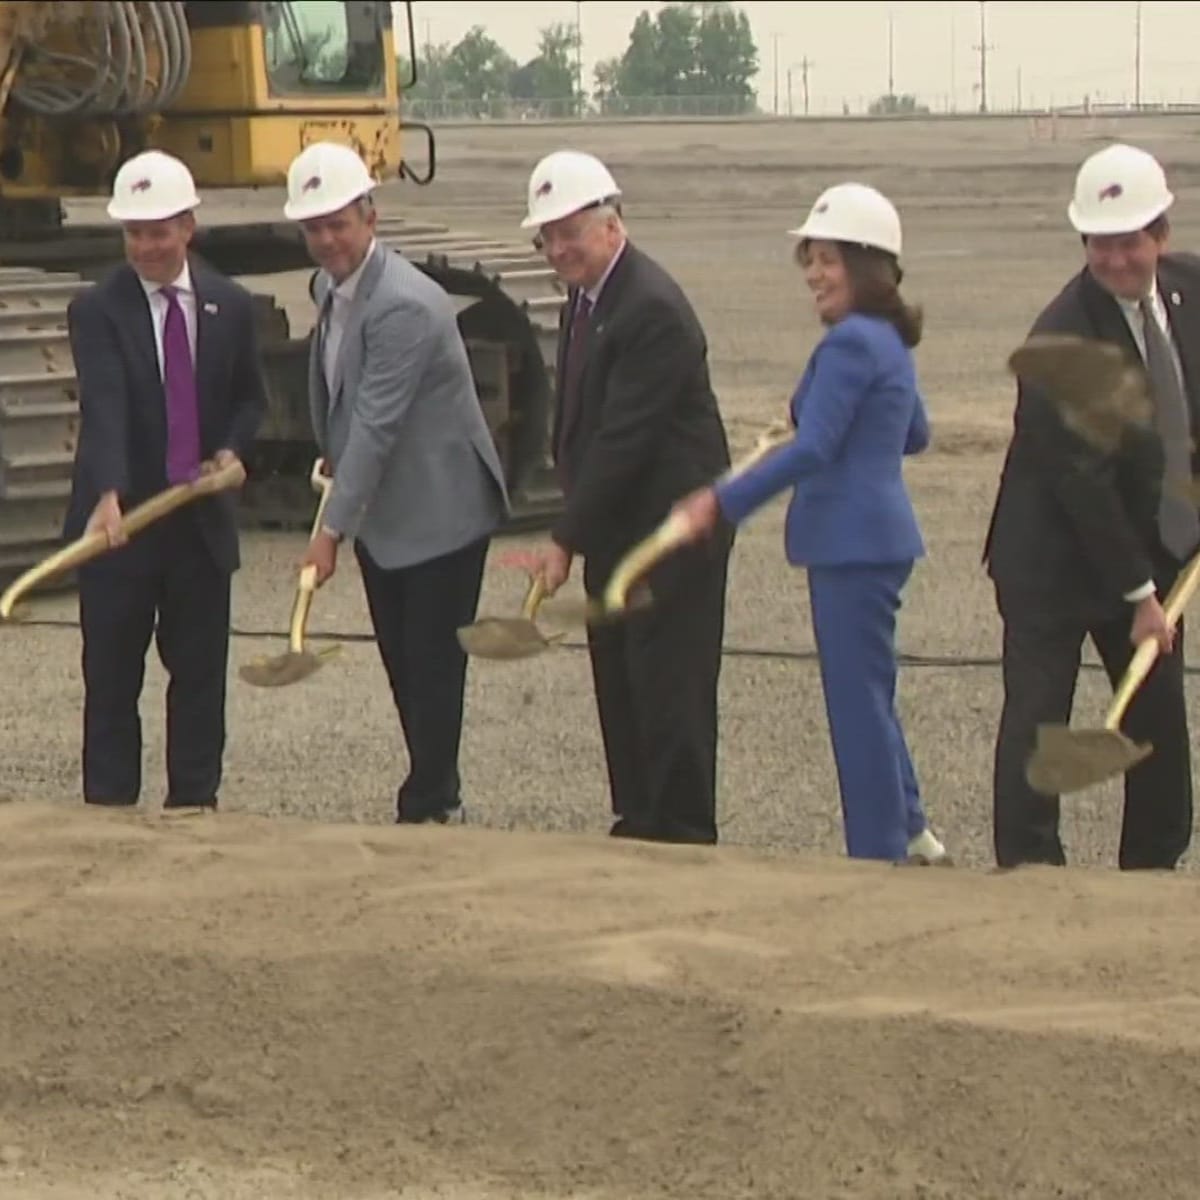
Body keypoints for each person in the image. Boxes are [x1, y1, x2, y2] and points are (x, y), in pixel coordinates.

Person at [671, 182, 949, 866]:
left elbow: (816, 446)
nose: (814, 276)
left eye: (827, 260)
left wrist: (721, 499)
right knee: (871, 693)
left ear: (867, 266)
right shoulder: (886, 341)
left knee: (856, 708)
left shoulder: (852, 344)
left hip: (851, 544)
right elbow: (914, 432)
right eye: (810, 262)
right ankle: (910, 829)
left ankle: (877, 855)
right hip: (879, 538)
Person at [983, 142, 1198, 871]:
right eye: (1100, 246)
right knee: (1040, 720)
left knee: (1157, 715)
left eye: (1129, 243)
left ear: (1161, 236)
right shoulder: (1060, 338)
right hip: (1052, 560)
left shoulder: (1189, 289)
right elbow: (1083, 483)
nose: (1114, 261)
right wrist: (1141, 595)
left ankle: (1153, 866)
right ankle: (1030, 869)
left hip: (1149, 544)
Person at [284, 141, 509, 826]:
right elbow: (347, 404)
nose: (327, 240)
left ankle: (432, 803)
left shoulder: (405, 306)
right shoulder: (332, 290)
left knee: (433, 663)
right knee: (402, 662)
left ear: (371, 217)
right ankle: (436, 789)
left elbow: (378, 426)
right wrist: (333, 461)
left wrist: (327, 534)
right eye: (314, 227)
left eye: (339, 223)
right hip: (389, 513)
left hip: (442, 509)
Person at [514, 149, 733, 846]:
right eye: (547, 237)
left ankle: (682, 832)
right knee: (621, 682)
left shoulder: (650, 308)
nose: (558, 249)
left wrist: (563, 537)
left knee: (669, 686)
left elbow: (624, 440)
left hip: (670, 533)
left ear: (613, 225)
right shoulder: (590, 299)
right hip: (620, 526)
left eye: (570, 232)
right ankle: (639, 820)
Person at [63, 149, 266, 811]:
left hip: (198, 529)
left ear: (188, 228)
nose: (145, 247)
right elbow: (105, 404)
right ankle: (110, 813)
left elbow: (248, 399)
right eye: (133, 233)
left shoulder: (230, 306)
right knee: (113, 683)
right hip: (120, 528)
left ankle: (194, 810)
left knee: (200, 680)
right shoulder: (97, 308)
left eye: (157, 232)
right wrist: (109, 492)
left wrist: (233, 451)